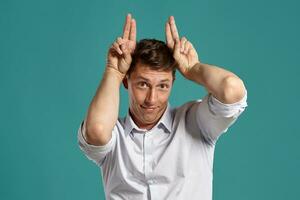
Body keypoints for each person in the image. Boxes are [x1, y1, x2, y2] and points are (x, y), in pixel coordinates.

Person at [77, 13, 248, 200]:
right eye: (143, 84)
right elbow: (96, 130)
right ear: (127, 82)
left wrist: (193, 69)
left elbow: (231, 89)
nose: (152, 98)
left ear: (172, 84)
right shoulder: (114, 137)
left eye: (162, 86)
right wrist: (114, 71)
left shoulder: (197, 123)